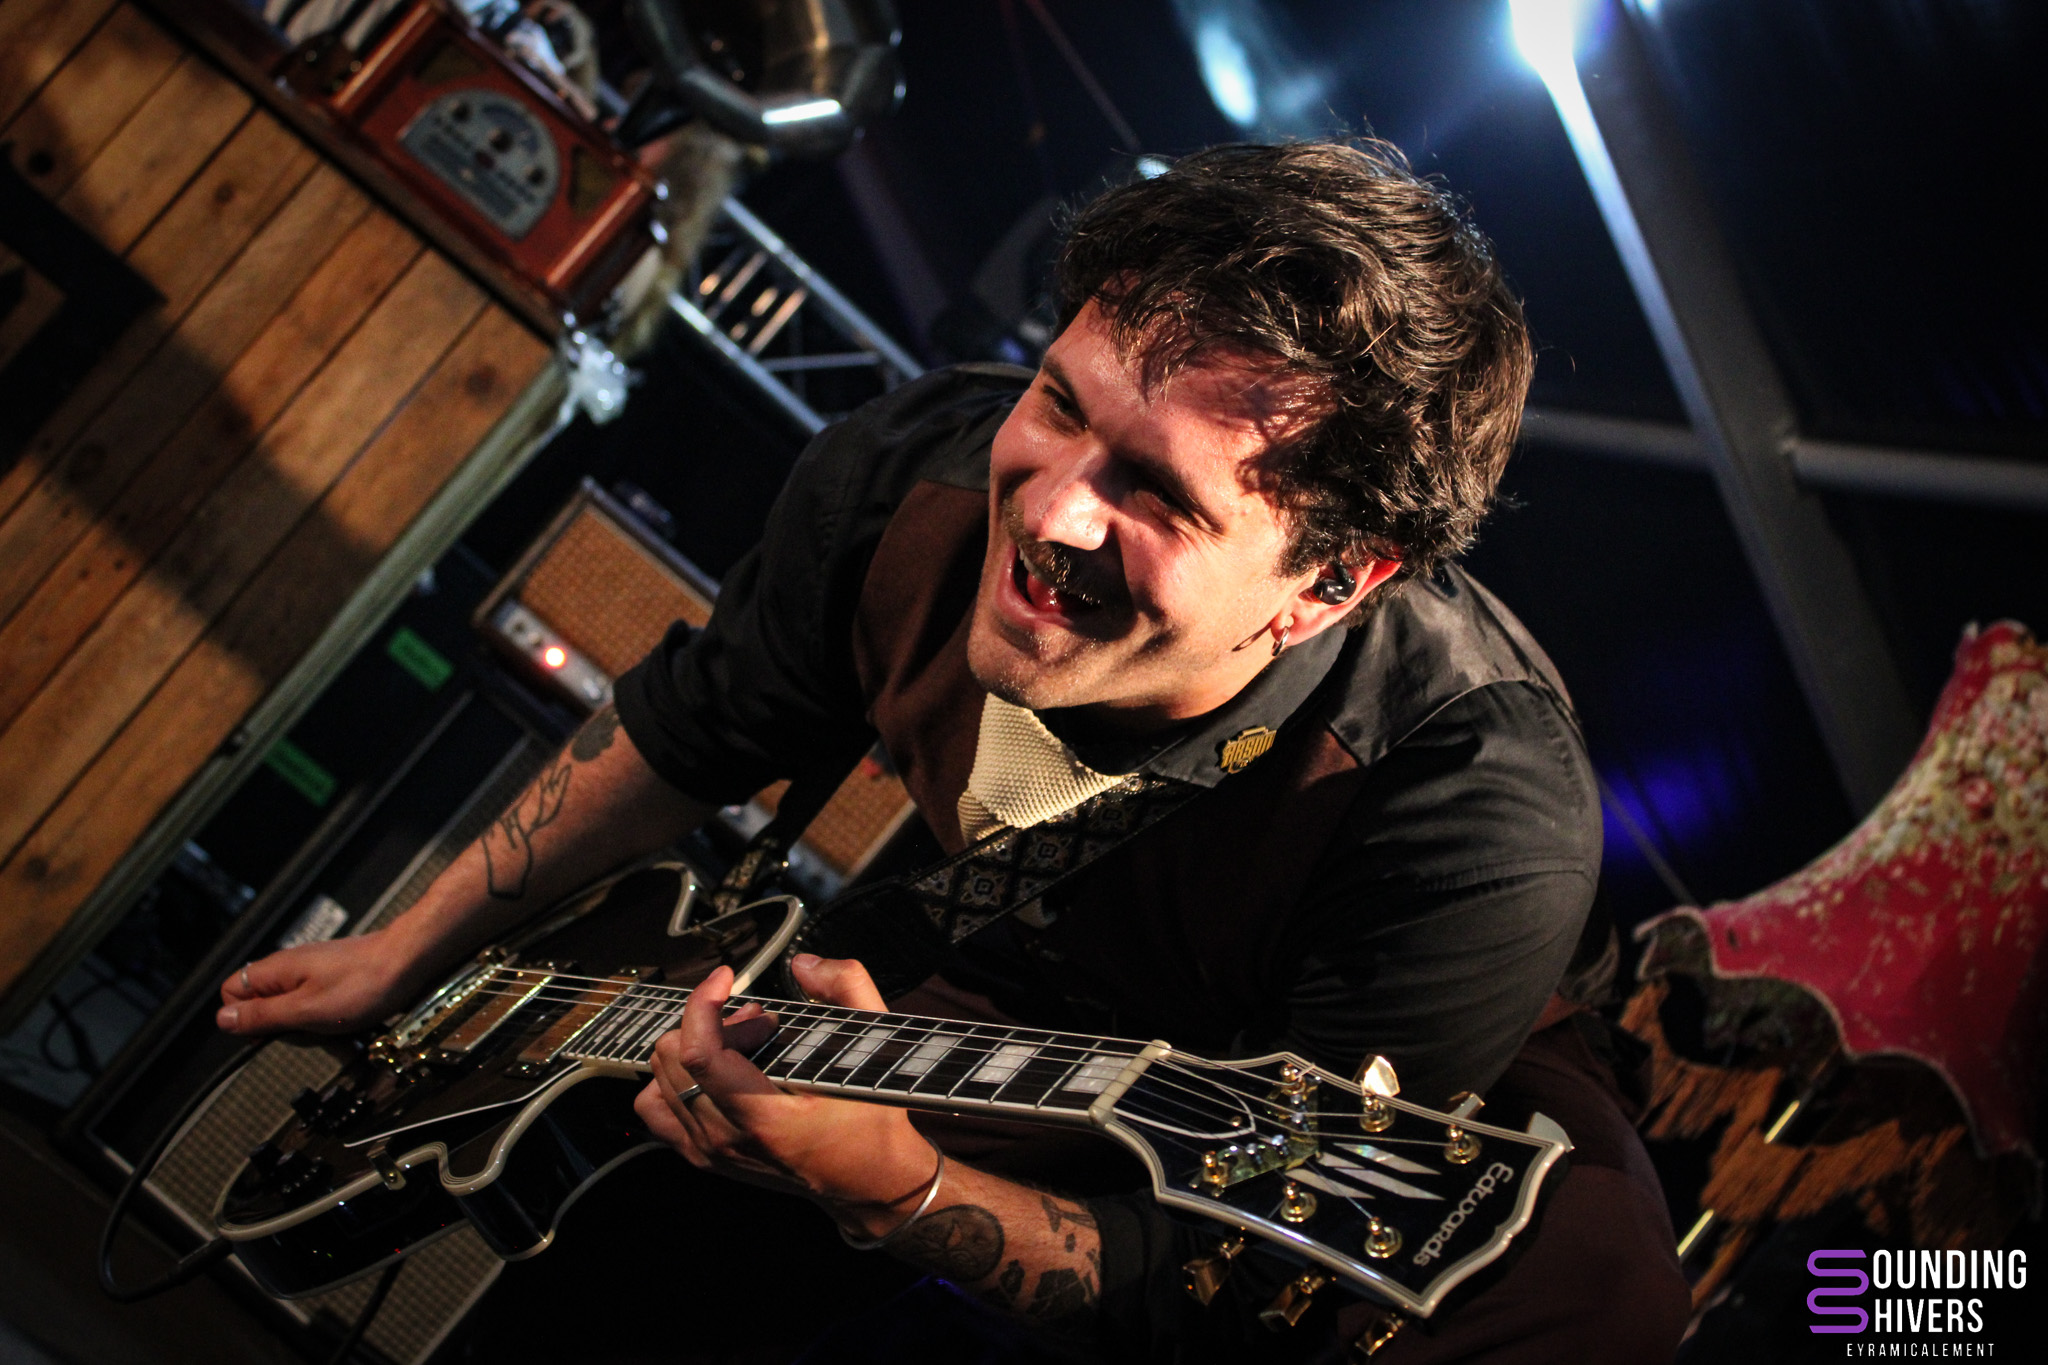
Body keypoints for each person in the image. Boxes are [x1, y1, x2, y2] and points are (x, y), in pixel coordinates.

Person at [219, 141, 1687, 1363]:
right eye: (1060, 404)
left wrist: (905, 1190)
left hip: (1344, 1157)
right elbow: (692, 724)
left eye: (1157, 492)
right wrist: (408, 946)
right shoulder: (903, 477)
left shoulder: (1469, 807)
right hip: (965, 990)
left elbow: (1230, 1273)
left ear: (1330, 582)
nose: (1047, 511)